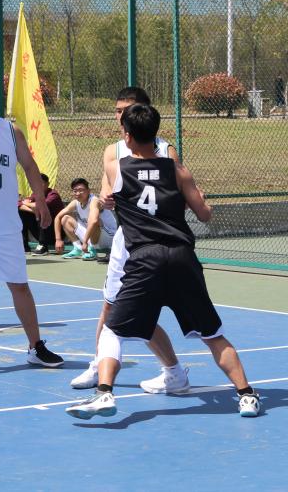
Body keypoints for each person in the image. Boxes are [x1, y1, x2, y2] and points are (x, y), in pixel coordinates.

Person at [65, 104, 260, 420]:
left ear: (127, 136)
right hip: (182, 258)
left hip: (145, 259)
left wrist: (112, 201)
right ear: (156, 134)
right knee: (213, 334)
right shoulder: (178, 170)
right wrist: (197, 198)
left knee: (112, 331)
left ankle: (104, 393)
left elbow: (106, 198)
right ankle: (247, 395)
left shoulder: (117, 168)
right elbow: (204, 214)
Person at [69, 87, 188, 395]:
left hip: (160, 240)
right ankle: (101, 365)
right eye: (117, 110)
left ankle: (173, 371)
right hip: (129, 238)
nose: (120, 115)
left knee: (146, 311)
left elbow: (178, 192)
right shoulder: (113, 151)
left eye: (126, 109)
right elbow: (105, 191)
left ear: (144, 111)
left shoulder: (166, 150)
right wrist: (106, 200)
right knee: (111, 306)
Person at [0, 75, 64, 368]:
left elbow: (29, 166)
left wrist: (41, 201)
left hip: (6, 227)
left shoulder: (10, 132)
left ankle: (36, 346)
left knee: (20, 287)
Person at [53, 178, 117, 261]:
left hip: (108, 238)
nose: (78, 193)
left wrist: (85, 242)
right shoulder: (75, 202)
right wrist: (58, 239)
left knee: (94, 220)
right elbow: (58, 217)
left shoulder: (94, 201)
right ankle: (77, 248)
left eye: (81, 190)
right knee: (65, 219)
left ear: (88, 191)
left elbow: (94, 221)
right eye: (75, 191)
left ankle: (92, 249)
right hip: (92, 237)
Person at [21, 173, 64, 255]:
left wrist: (26, 203)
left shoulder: (53, 195)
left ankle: (43, 246)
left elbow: (42, 205)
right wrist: (32, 210)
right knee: (22, 212)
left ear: (48, 184)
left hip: (55, 233)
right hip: (40, 231)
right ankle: (24, 246)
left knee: (42, 211)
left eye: (41, 183)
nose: (38, 185)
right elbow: (18, 204)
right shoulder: (35, 194)